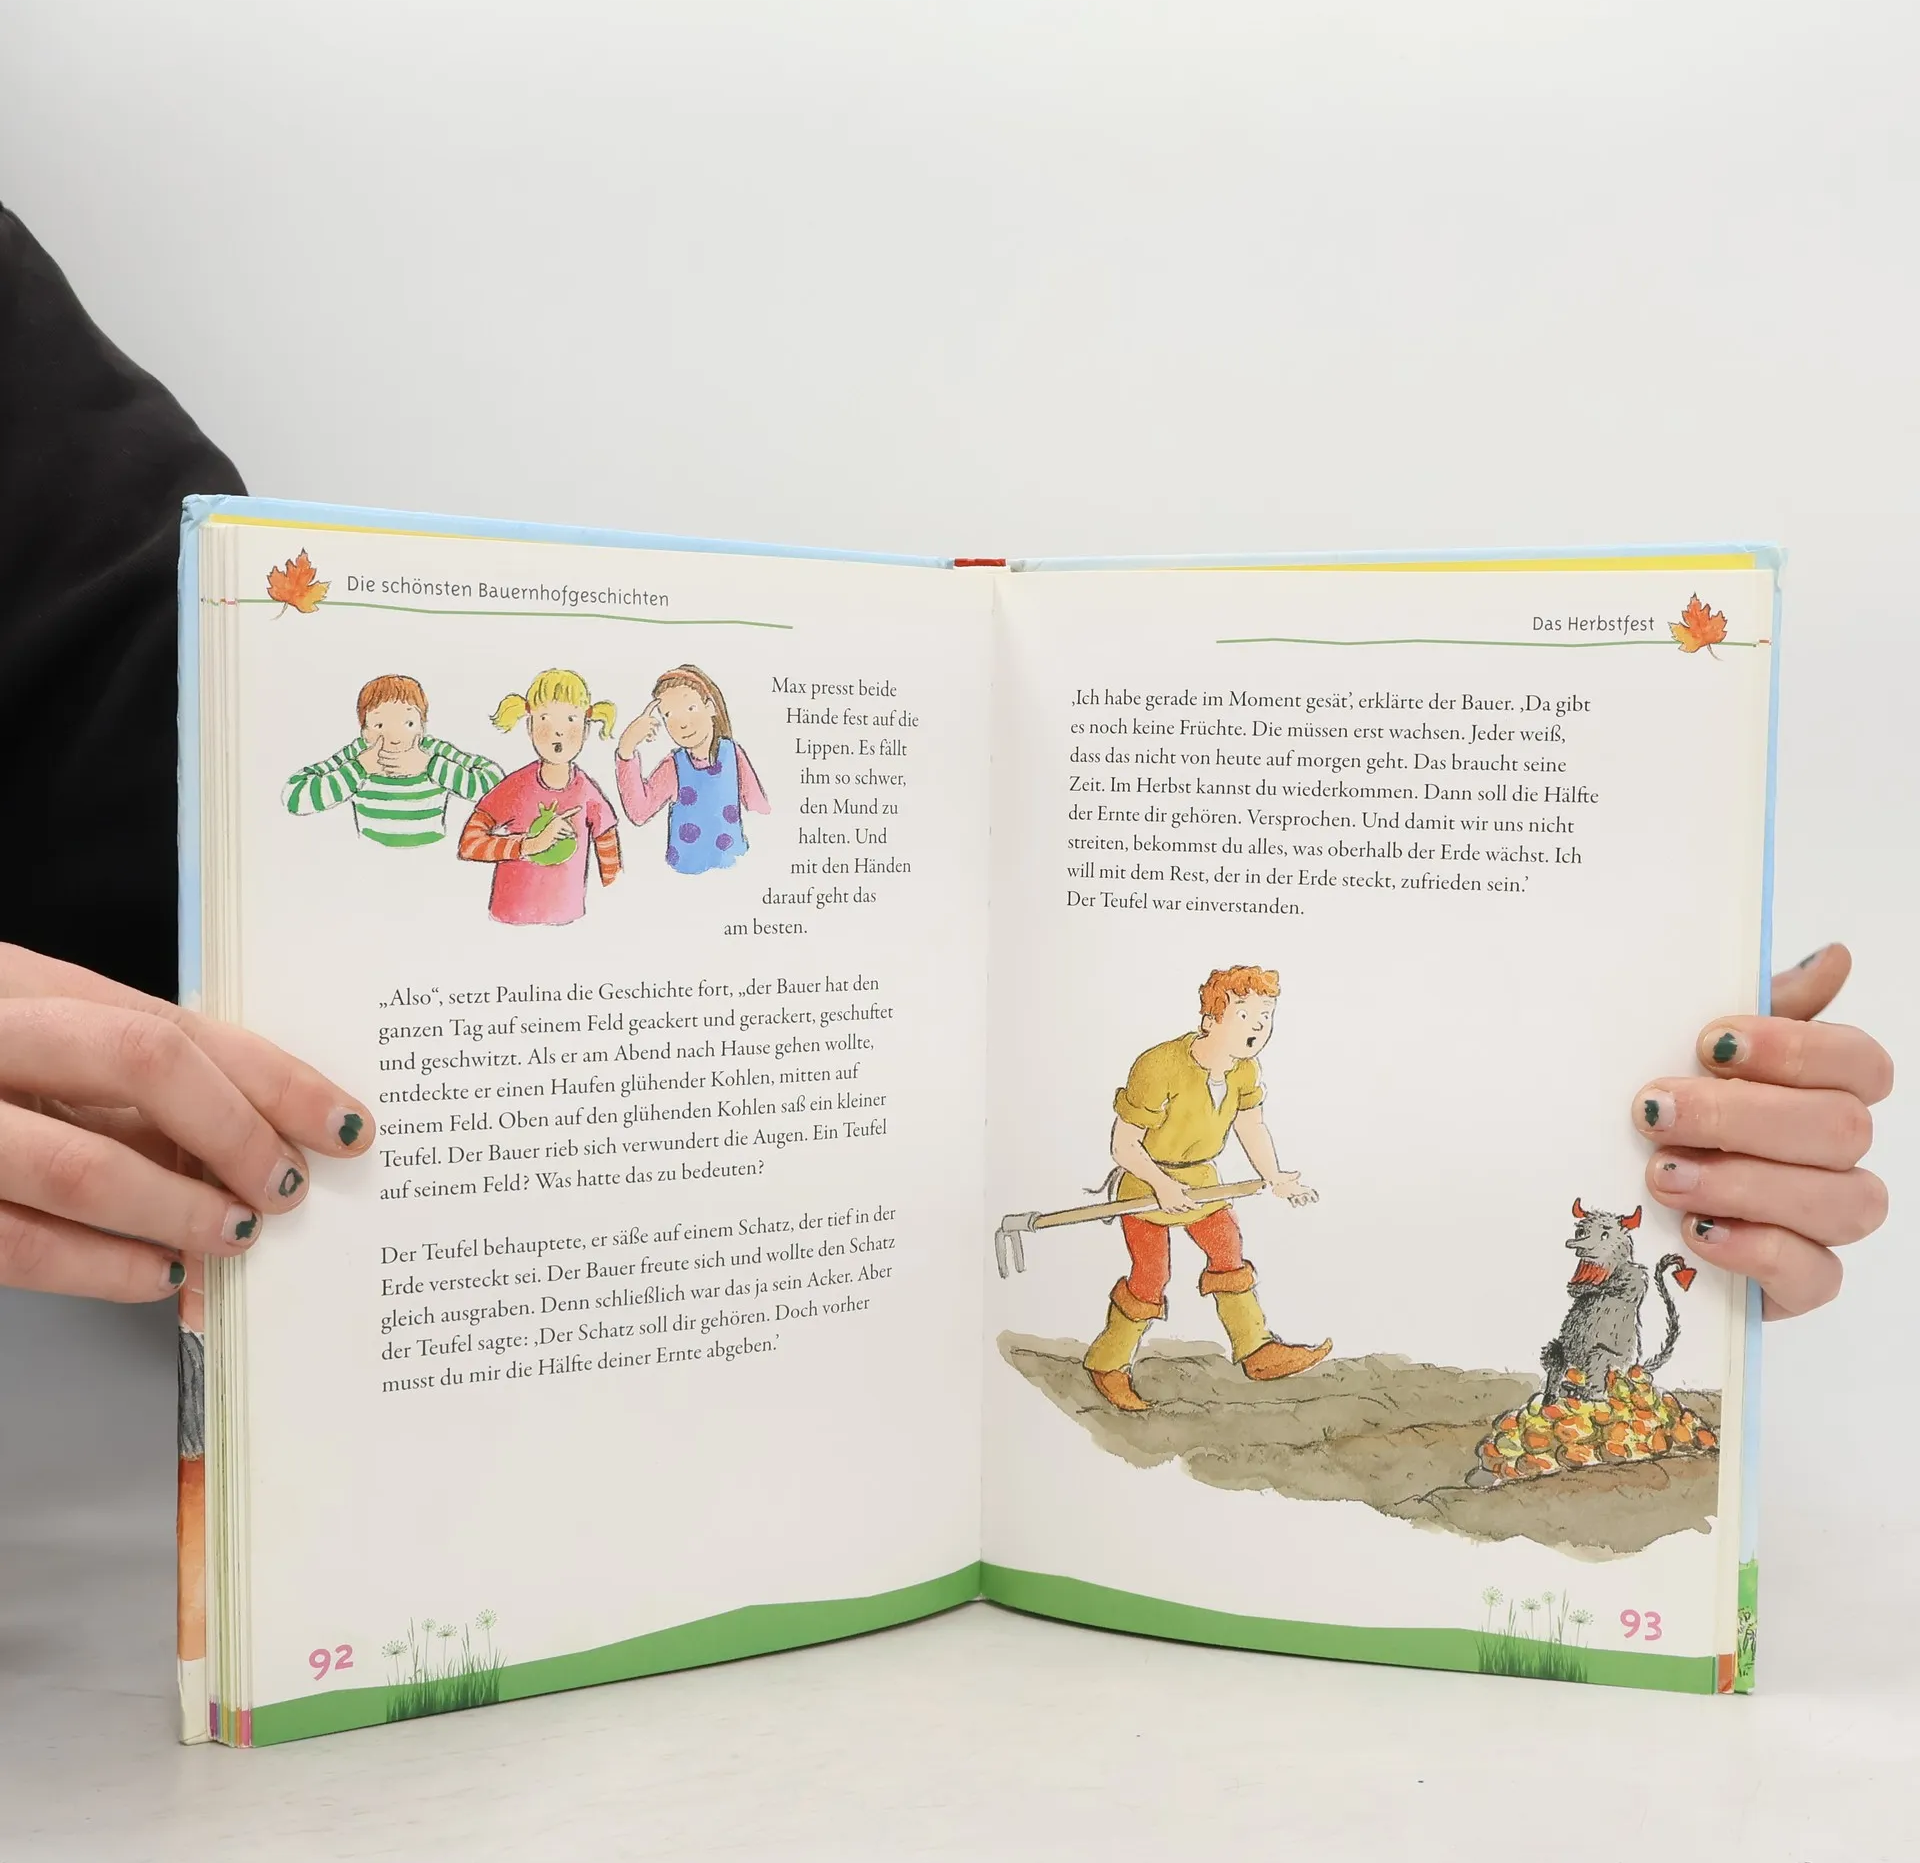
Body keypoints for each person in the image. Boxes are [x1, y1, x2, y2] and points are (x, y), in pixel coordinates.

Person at [0, 200, 1895, 1321]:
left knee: (1207, 1268)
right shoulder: (1170, 1069)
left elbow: (217, 927)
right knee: (1155, 1279)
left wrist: (1610, 1100)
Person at [1086, 966, 1329, 1412]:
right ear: (1210, 1019)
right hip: (1146, 1182)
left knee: (1227, 1248)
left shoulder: (1244, 1070)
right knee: (1151, 1275)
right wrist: (1162, 1185)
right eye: (1244, 1015)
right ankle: (1108, 1364)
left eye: (1266, 1016)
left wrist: (1274, 1175)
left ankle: (1256, 1350)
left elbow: (1250, 1126)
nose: (1257, 1027)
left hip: (1201, 1181)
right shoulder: (1158, 1066)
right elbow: (1124, 1145)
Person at [457, 669, 622, 925]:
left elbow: (611, 866)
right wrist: (529, 845)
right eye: (545, 718)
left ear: (586, 729)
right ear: (529, 726)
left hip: (569, 923)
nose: (558, 731)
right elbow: (469, 845)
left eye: (571, 719)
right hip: (509, 920)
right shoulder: (515, 788)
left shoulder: (588, 793)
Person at [285, 673, 504, 847]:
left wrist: (430, 765)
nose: (395, 738)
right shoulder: (359, 753)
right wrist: (359, 768)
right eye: (379, 725)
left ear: (422, 727)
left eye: (408, 723)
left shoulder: (432, 751)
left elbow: (497, 787)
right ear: (365, 731)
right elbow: (295, 797)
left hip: (433, 858)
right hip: (367, 859)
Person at [614, 663, 769, 873]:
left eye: (690, 708)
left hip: (735, 868)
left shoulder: (732, 754)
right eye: (669, 715)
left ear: (710, 707)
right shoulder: (674, 766)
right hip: (684, 874)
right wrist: (626, 750)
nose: (683, 724)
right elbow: (639, 812)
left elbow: (759, 808)